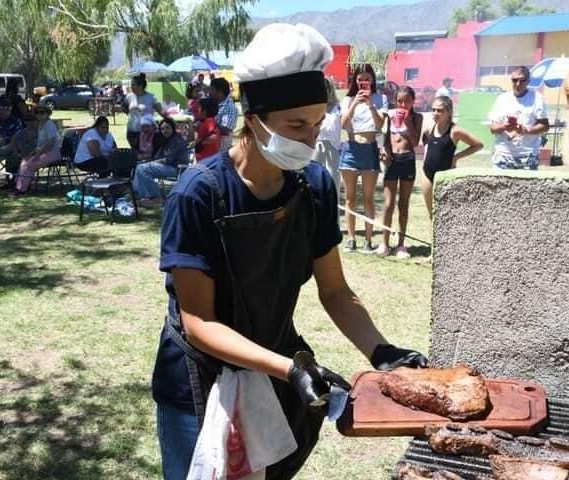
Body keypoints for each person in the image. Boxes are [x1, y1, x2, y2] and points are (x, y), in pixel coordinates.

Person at [151, 23, 428, 480]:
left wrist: (382, 351)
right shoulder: (198, 194)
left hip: (280, 372)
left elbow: (335, 291)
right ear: (254, 117)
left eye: (317, 124)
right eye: (296, 125)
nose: (308, 139)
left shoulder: (314, 186)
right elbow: (199, 323)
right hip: (199, 380)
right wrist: (290, 369)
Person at [339, 63, 388, 253]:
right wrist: (353, 104)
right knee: (350, 199)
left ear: (373, 80)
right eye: (360, 78)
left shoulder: (380, 98)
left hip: (369, 150)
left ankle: (368, 240)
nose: (364, 82)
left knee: (368, 199)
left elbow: (380, 124)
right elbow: (343, 125)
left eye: (367, 78)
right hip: (350, 149)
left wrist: (370, 105)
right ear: (355, 80)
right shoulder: (348, 99)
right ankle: (351, 239)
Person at [374, 86, 422, 259]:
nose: (403, 104)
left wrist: (407, 121)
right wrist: (384, 150)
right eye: (400, 101)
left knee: (404, 204)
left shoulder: (417, 117)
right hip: (392, 161)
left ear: (412, 101)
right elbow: (385, 139)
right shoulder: (389, 115)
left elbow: (416, 142)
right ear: (395, 100)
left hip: (408, 159)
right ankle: (384, 243)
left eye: (407, 101)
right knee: (388, 204)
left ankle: (401, 245)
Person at [422, 96, 483, 219]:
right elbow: (425, 140)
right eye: (433, 110)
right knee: (431, 215)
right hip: (427, 174)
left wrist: (456, 157)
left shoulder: (455, 131)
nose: (435, 113)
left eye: (439, 110)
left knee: (446, 216)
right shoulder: (430, 128)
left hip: (446, 176)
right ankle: (432, 239)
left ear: (449, 112)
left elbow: (478, 145)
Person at [488, 66, 548, 170]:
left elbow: (544, 126)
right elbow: (493, 128)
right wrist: (504, 126)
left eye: (522, 80)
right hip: (503, 155)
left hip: (528, 155)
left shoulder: (537, 98)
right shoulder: (502, 99)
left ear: (528, 81)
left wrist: (525, 130)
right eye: (515, 80)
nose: (518, 84)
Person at [133, 117, 188, 204]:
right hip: (167, 166)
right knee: (139, 165)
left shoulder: (177, 140)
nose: (164, 131)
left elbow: (168, 159)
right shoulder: (167, 140)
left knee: (143, 168)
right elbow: (158, 156)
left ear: (172, 128)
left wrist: (152, 162)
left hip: (177, 168)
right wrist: (149, 161)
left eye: (167, 128)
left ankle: (155, 197)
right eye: (162, 129)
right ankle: (139, 194)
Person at [12, 105, 61, 196]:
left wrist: (38, 154)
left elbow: (50, 143)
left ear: (47, 114)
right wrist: (31, 154)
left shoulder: (49, 125)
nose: (39, 114)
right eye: (37, 112)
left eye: (42, 112)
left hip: (53, 153)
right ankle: (18, 186)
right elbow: (40, 145)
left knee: (28, 164)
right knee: (24, 161)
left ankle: (21, 190)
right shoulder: (40, 125)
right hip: (44, 152)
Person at [313, 78, 341, 199]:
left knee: (333, 180)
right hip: (316, 145)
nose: (325, 92)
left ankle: (334, 210)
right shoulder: (313, 107)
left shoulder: (338, 107)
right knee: (314, 179)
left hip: (333, 146)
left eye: (327, 89)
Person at [124, 73, 165, 150]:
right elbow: (124, 107)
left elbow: (161, 111)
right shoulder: (129, 96)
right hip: (132, 131)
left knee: (146, 154)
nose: (131, 87)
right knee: (136, 154)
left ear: (140, 85)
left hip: (147, 132)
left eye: (133, 84)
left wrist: (169, 120)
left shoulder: (151, 97)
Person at [7, 112, 39, 190]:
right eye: (27, 120)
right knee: (13, 158)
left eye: (32, 120)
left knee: (27, 162)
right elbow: (13, 140)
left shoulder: (40, 132)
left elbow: (40, 147)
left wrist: (30, 155)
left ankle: (22, 184)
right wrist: (16, 152)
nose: (29, 122)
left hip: (36, 155)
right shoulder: (22, 132)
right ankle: (13, 181)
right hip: (23, 154)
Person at [209, 77, 238, 153]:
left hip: (221, 152)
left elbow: (226, 130)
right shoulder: (213, 104)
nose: (209, 92)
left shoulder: (230, 108)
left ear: (220, 92)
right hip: (210, 151)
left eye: (212, 89)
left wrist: (209, 121)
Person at [192, 97, 221, 162]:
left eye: (199, 107)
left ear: (204, 111)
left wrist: (201, 142)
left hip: (207, 162)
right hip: (205, 160)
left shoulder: (209, 121)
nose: (197, 109)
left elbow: (215, 137)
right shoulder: (204, 122)